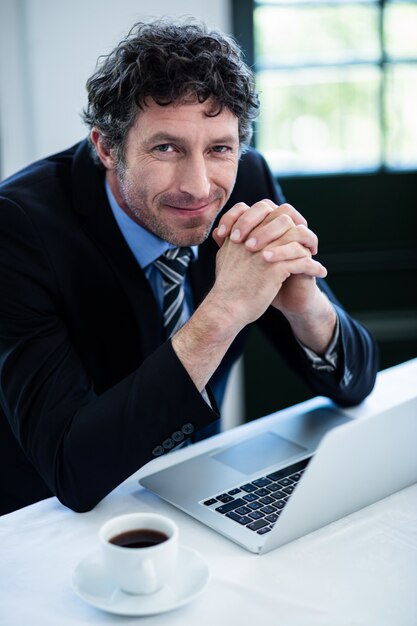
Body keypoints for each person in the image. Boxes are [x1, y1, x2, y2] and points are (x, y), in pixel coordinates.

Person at [0, 20, 378, 516]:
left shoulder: (249, 182)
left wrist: (306, 307)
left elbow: (354, 386)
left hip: (196, 490)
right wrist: (222, 313)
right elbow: (72, 469)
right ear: (106, 148)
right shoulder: (18, 227)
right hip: (47, 520)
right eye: (166, 148)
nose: (199, 188)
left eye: (219, 148)